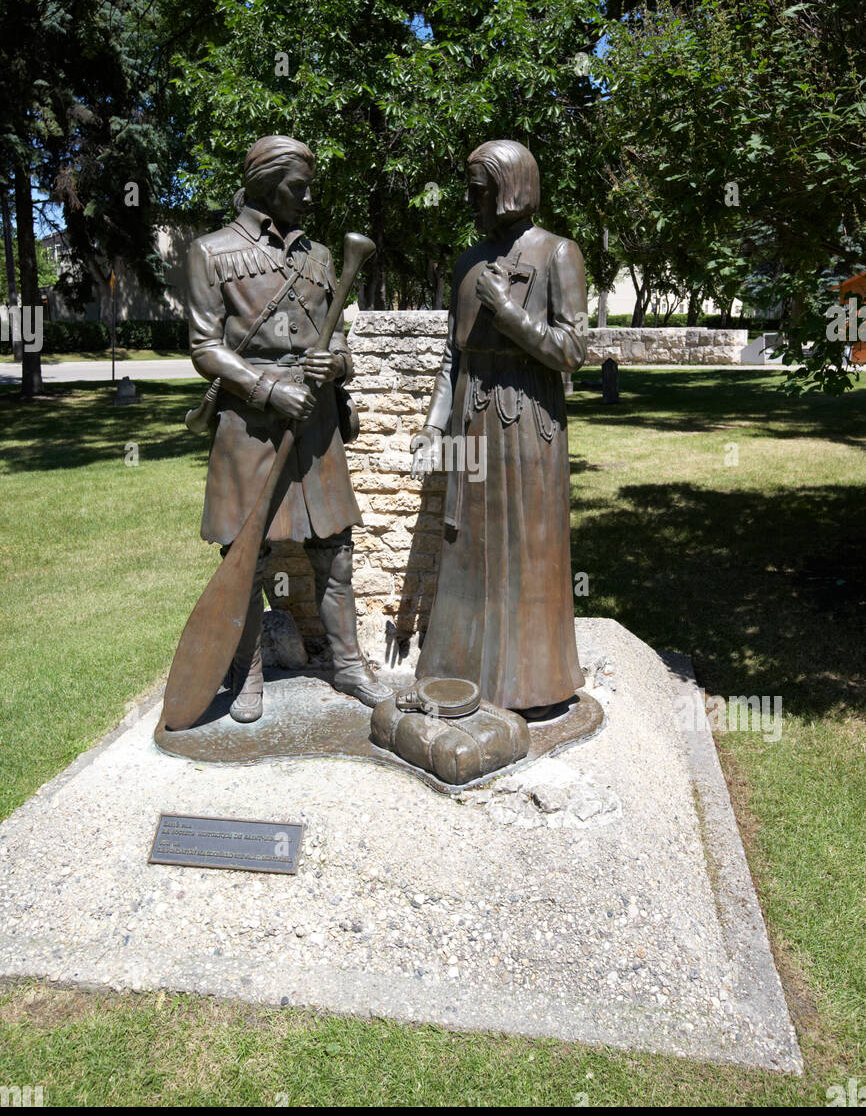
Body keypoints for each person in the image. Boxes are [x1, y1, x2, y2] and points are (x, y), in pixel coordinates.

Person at [186, 135, 389, 722]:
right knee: (243, 555)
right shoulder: (211, 251)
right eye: (298, 187)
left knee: (336, 549)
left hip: (317, 420)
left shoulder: (321, 256)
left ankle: (348, 666)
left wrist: (338, 361)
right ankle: (246, 674)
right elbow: (204, 349)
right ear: (266, 184)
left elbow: (338, 333)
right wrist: (269, 389)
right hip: (250, 422)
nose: (307, 197)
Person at [410, 139, 587, 716]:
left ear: (509, 190)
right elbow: (451, 356)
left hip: (528, 421)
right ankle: (456, 674)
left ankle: (530, 681)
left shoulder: (558, 253)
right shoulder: (466, 261)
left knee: (525, 548)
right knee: (466, 548)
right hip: (470, 416)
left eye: (479, 191)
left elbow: (572, 349)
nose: (471, 201)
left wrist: (508, 314)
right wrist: (435, 426)